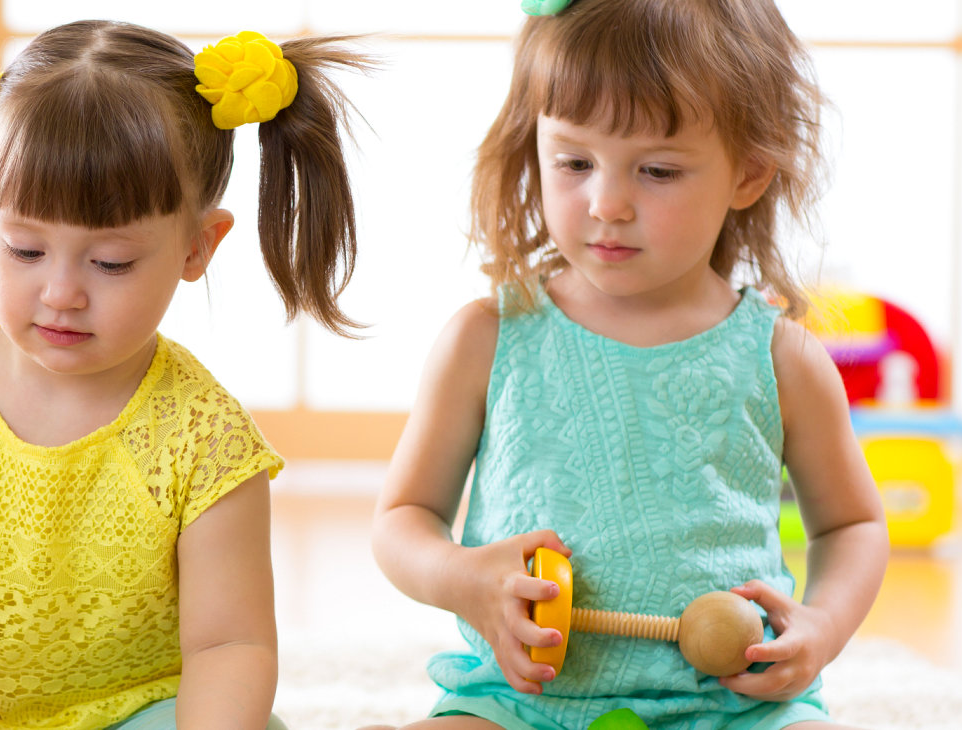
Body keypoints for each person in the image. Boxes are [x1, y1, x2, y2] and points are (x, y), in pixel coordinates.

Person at [0, 19, 372, 730]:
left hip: (126, 714)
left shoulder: (207, 441)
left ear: (197, 245)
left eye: (110, 262)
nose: (61, 293)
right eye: (24, 249)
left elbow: (228, 643)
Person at [368, 1, 887, 728]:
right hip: (521, 707)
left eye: (658, 170)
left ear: (748, 173)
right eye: (574, 162)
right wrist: (462, 578)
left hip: (732, 708)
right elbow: (401, 519)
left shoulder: (782, 358)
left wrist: (822, 629)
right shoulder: (486, 338)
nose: (607, 202)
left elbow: (852, 525)